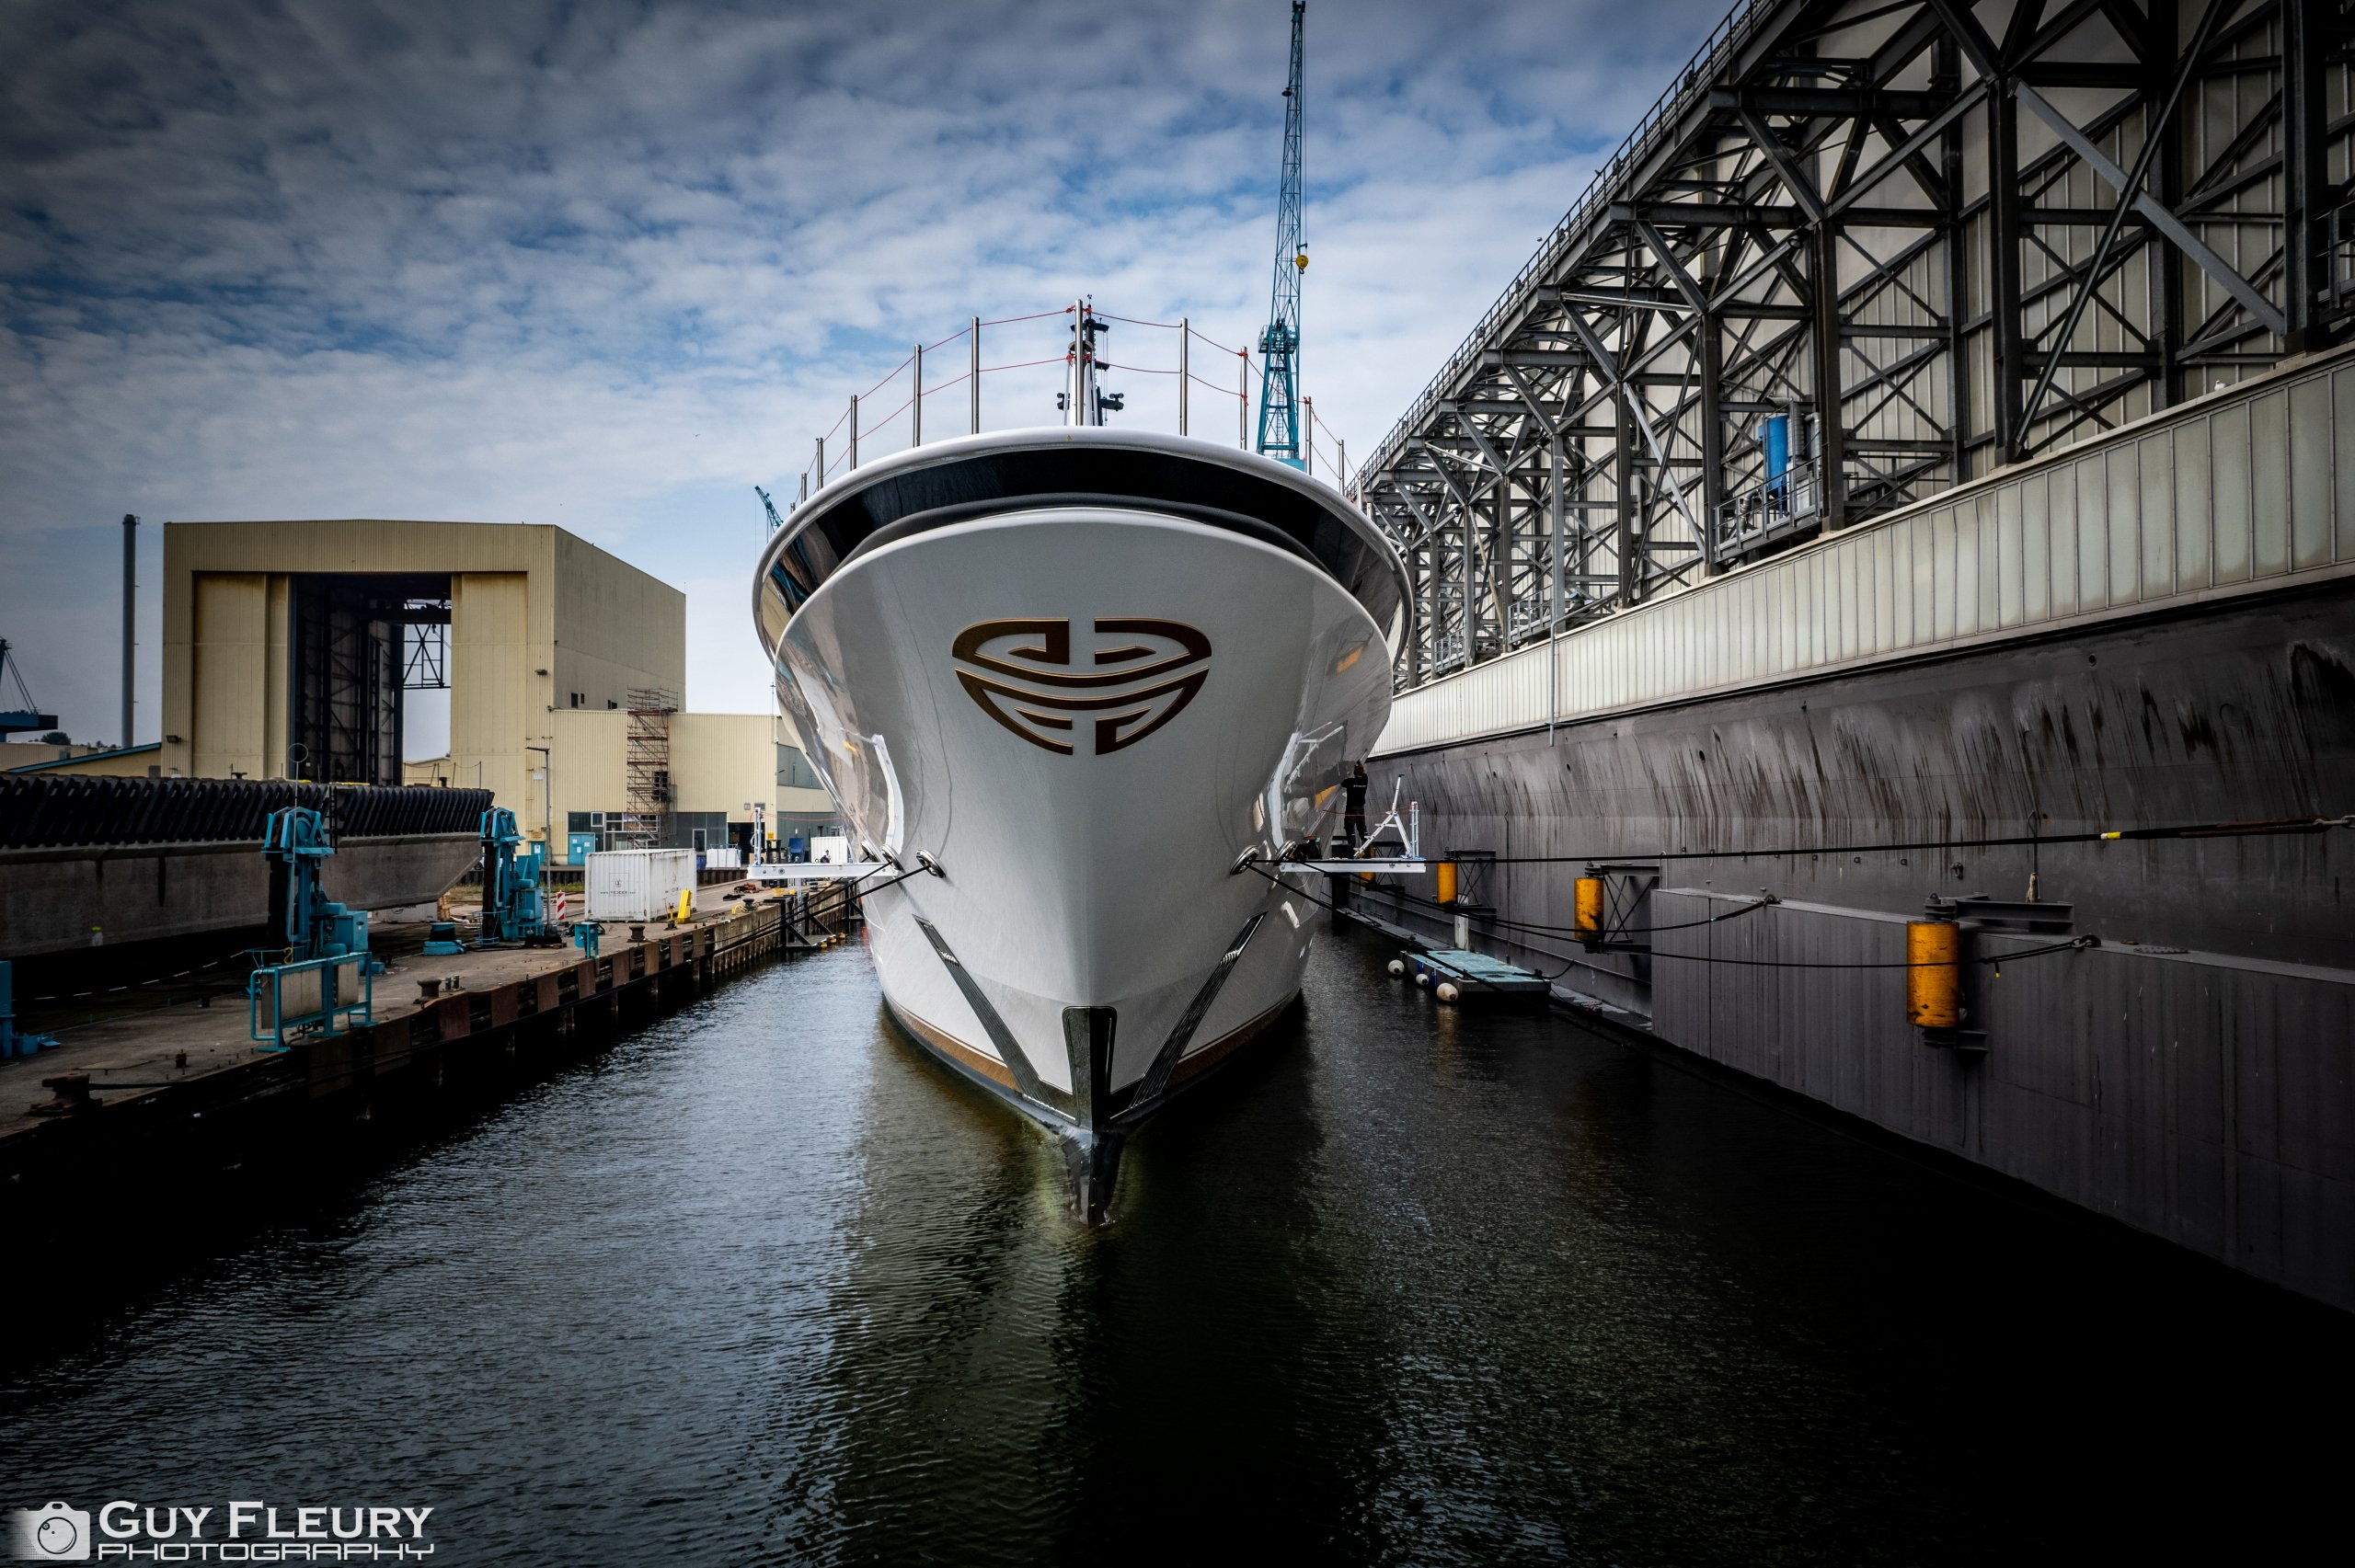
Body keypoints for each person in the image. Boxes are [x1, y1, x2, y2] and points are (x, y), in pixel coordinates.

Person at [1343, 761, 1369, 852]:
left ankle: (1351, 850)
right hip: (1361, 809)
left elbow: (1342, 783)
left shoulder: (1349, 782)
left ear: (1354, 773)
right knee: (1362, 829)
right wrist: (1360, 764)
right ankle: (1368, 849)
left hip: (1351, 810)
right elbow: (1364, 773)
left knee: (1350, 829)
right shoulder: (1365, 780)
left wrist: (1348, 769)